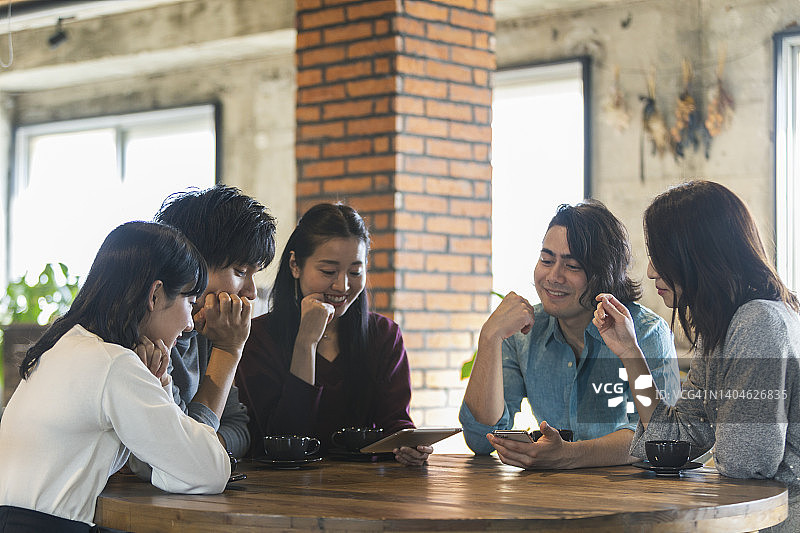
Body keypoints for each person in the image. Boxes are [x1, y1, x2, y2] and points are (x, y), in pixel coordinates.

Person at [593, 180, 800, 532]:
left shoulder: (758, 322)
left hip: (777, 519)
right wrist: (630, 352)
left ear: (697, 254)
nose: (651, 272)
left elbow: (745, 463)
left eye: (660, 256)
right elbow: (675, 434)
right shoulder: (724, 327)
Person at [0, 222, 231, 531]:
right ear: (155, 294)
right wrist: (160, 384)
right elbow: (210, 470)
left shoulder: (63, 346)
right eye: (189, 302)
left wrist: (158, 381)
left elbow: (152, 462)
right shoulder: (114, 364)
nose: (190, 323)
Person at [460, 200, 680, 469]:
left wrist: (568, 455)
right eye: (546, 260)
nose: (553, 276)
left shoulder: (646, 332)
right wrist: (490, 337)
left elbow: (655, 439)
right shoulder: (524, 332)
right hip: (549, 497)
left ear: (603, 273)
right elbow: (481, 441)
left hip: (632, 499)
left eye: (572, 266)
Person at [236, 203, 430, 466]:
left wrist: (408, 445)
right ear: (295, 265)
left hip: (366, 492)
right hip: (281, 492)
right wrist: (306, 342)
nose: (343, 286)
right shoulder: (257, 337)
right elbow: (282, 440)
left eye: (355, 272)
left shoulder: (383, 335)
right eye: (328, 271)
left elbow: (394, 420)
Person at [152, 185, 277, 458]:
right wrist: (229, 350)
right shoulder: (149, 340)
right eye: (241, 271)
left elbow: (241, 430)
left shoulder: (207, 330)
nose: (251, 292)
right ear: (189, 261)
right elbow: (184, 456)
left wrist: (207, 447)